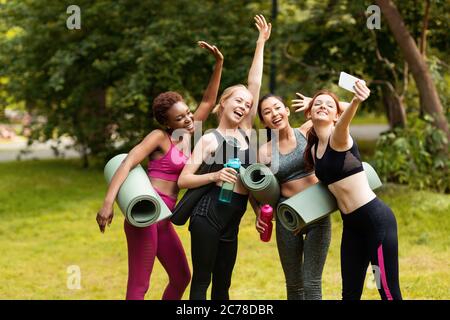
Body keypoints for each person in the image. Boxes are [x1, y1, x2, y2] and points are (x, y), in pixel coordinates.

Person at [95, 41, 224, 300]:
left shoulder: (191, 131)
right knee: (139, 285)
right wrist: (108, 203)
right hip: (145, 213)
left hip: (165, 218)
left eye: (188, 113)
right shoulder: (158, 137)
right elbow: (128, 162)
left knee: (181, 277)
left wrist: (219, 63)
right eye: (180, 118)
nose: (188, 119)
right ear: (166, 122)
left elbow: (209, 101)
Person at [177, 14, 271, 300]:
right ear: (223, 103)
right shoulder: (208, 139)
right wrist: (215, 175)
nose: (244, 106)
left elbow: (253, 84)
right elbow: (184, 179)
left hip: (234, 218)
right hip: (207, 215)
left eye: (248, 105)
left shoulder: (245, 134)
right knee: (202, 281)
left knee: (224, 286)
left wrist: (261, 43)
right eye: (238, 101)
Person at [304, 83, 402, 300]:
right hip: (352, 228)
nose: (323, 106)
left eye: (329, 105)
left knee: (386, 289)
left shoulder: (339, 138)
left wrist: (356, 100)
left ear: (337, 116)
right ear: (309, 113)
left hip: (376, 222)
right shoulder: (313, 148)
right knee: (349, 293)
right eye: (317, 104)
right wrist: (316, 107)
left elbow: (344, 121)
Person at [254, 94, 331, 300]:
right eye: (267, 112)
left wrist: (314, 104)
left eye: (277, 108)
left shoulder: (308, 130)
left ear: (287, 111)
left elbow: (340, 113)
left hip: (318, 213)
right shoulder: (264, 152)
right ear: (264, 121)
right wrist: (258, 213)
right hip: (288, 218)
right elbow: (255, 187)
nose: (274, 114)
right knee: (294, 285)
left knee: (311, 282)